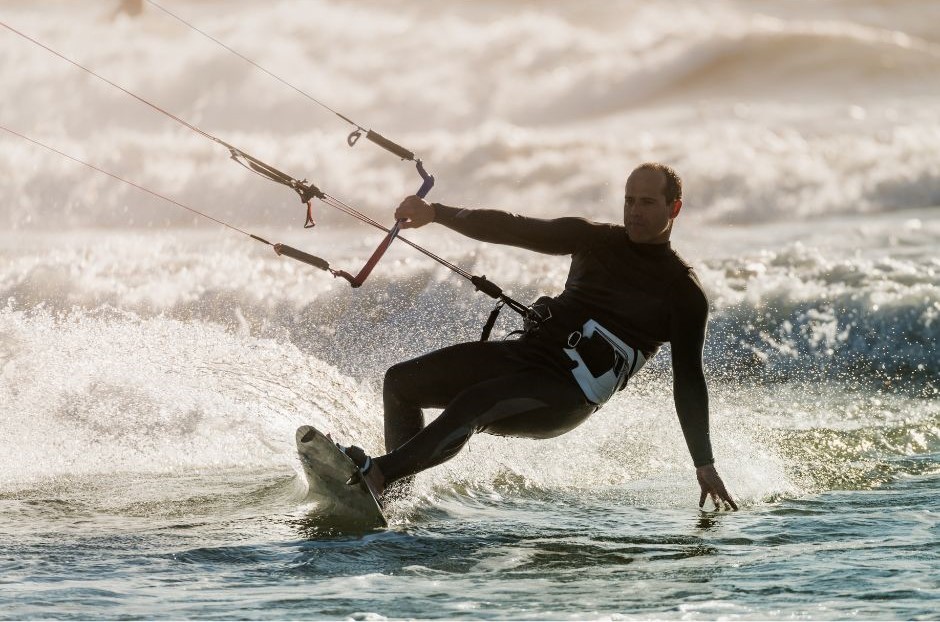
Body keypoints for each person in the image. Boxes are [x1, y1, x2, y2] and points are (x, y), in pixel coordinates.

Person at [347, 162, 737, 511]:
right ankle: (389, 500)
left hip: (567, 394)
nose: (635, 211)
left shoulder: (682, 292)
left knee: (475, 402)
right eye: (629, 200)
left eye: (648, 203)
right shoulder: (593, 239)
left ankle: (379, 473)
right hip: (527, 356)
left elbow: (689, 380)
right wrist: (436, 213)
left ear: (675, 208)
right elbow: (515, 227)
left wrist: (703, 463)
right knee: (401, 383)